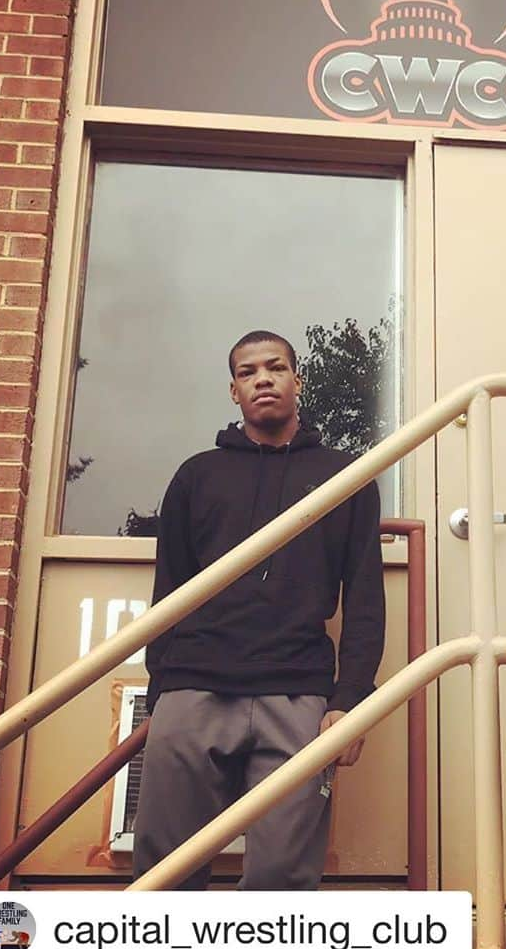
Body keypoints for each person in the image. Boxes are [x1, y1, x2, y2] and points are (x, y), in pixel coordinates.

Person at [132, 329, 386, 889]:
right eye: (248, 372)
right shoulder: (197, 475)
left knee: (283, 877)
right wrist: (162, 691)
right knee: (164, 871)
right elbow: (168, 589)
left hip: (296, 693)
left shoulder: (345, 477)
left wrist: (351, 702)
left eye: (275, 367)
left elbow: (366, 598)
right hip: (193, 687)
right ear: (233, 390)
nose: (263, 379)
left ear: (297, 379)